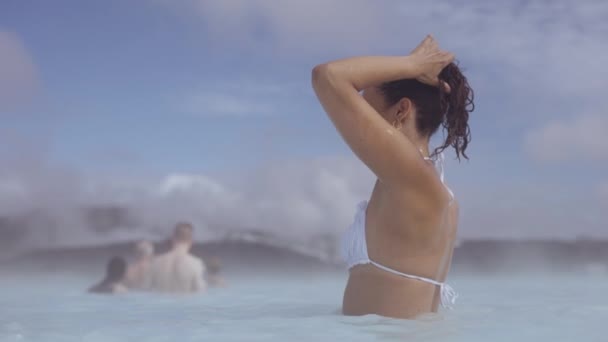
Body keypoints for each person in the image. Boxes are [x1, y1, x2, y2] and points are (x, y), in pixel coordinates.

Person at [311, 35, 474, 319]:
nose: (356, 114)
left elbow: (328, 77)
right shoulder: (427, 185)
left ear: (401, 110)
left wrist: (411, 64)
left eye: (366, 104)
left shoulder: (412, 176)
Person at [148, 222, 207, 293]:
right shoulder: (196, 264)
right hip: (185, 303)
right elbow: (200, 292)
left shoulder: (156, 262)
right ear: (191, 241)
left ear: (173, 238)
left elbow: (146, 290)